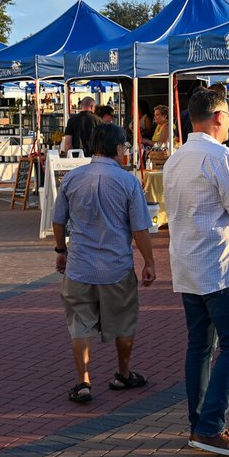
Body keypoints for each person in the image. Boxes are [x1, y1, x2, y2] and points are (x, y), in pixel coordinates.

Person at [162, 88, 229, 457]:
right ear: (219, 117)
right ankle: (209, 426)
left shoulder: (175, 160)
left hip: (189, 263)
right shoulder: (221, 156)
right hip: (221, 265)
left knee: (200, 346)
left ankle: (200, 422)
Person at [52, 123, 156, 403]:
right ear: (118, 148)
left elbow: (58, 219)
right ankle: (123, 373)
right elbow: (140, 229)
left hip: (79, 266)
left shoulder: (72, 178)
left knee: (80, 324)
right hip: (116, 267)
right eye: (125, 146)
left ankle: (83, 381)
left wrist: (61, 250)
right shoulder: (128, 181)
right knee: (124, 321)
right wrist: (149, 262)